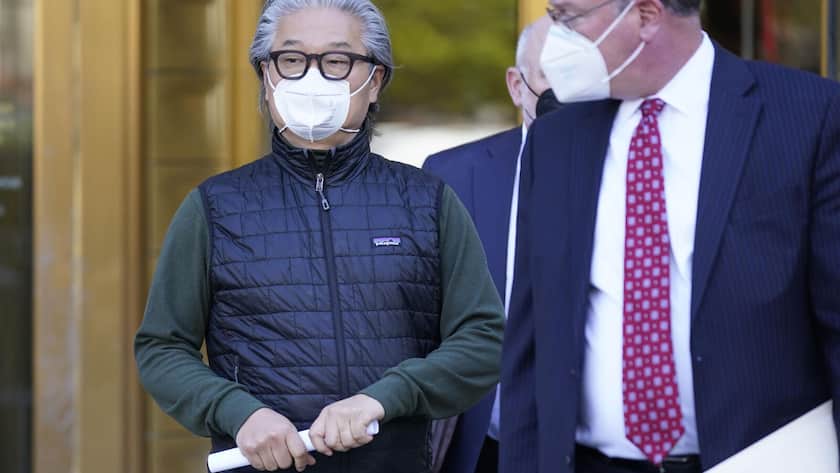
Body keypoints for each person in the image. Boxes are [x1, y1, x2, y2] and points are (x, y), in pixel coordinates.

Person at [134, 1, 505, 472]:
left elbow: (483, 339)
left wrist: (384, 399)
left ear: (375, 82)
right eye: (291, 60)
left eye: (336, 61)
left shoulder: (426, 201)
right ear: (266, 78)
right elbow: (162, 347)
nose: (311, 78)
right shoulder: (215, 206)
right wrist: (240, 412)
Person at [500, 1, 840, 473]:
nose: (556, 37)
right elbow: (529, 342)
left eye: (568, 18)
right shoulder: (556, 140)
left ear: (645, 16)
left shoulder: (807, 117)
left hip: (759, 460)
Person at [422, 15, 553, 473]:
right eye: (553, 73)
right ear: (517, 87)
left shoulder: (636, 169)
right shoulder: (452, 175)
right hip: (481, 444)